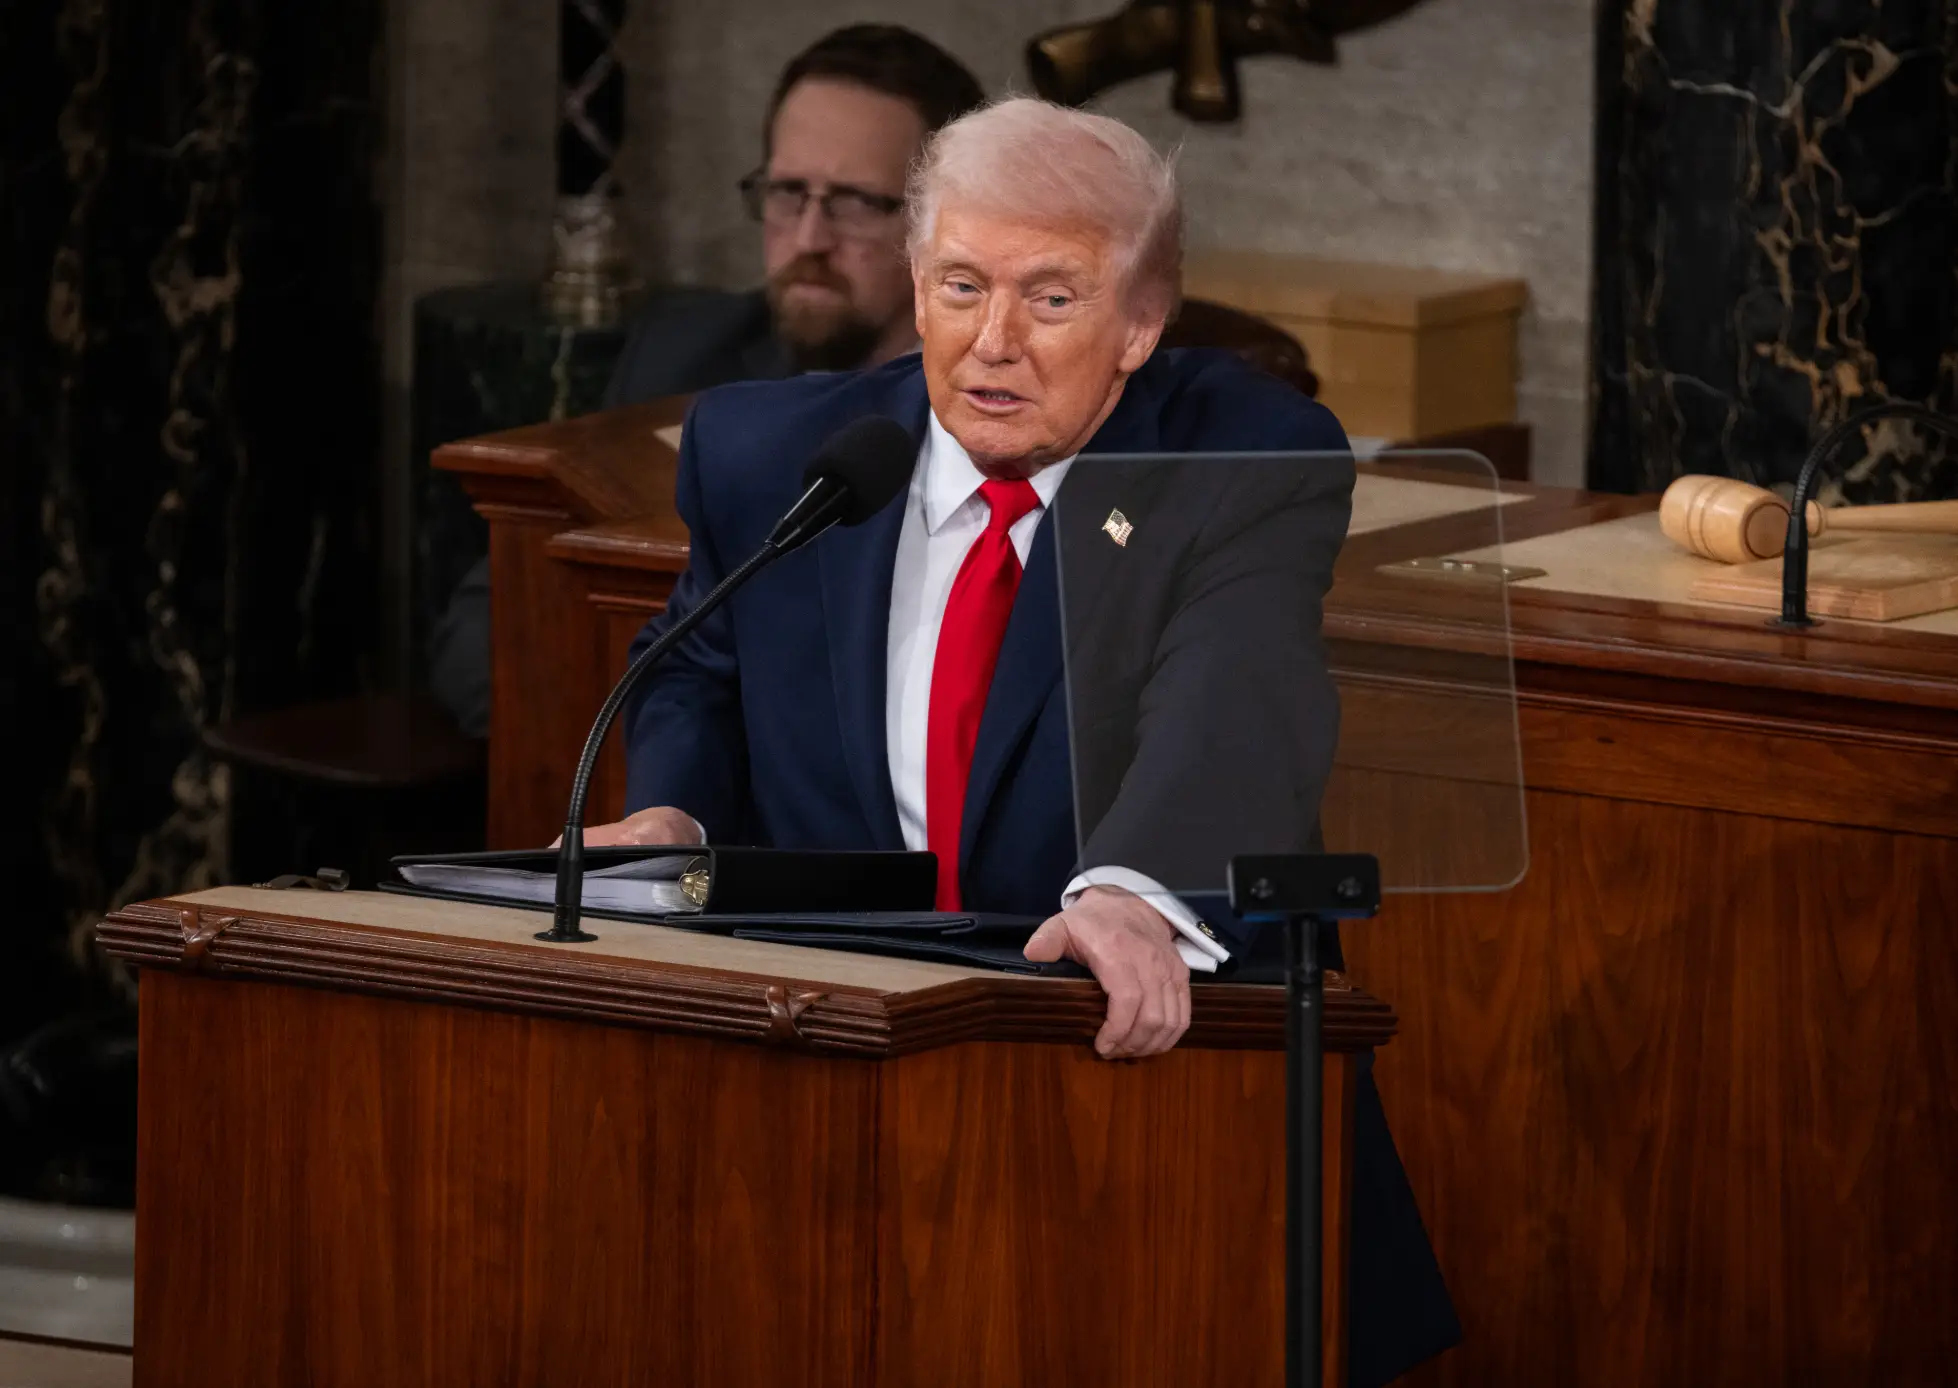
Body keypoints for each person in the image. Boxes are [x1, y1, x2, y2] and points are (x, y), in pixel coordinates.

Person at [586, 98, 1458, 1384]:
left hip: (1144, 1075)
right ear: (916, 284)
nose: (991, 341)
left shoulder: (1239, 453)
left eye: (1051, 298)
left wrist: (1135, 888)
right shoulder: (776, 453)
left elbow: (1235, 691)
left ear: (1140, 325)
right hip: (850, 1083)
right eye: (960, 286)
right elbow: (698, 665)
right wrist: (674, 815)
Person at [428, 25, 985, 736]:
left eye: (856, 203)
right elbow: (482, 634)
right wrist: (663, 752)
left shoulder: (1000, 409)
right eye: (788, 192)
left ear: (947, 224)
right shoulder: (681, 359)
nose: (809, 239)